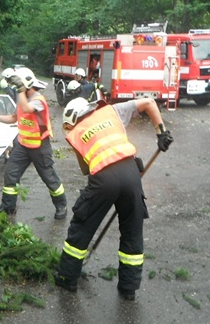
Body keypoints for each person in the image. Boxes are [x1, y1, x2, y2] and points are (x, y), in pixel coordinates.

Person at [53, 97, 174, 300]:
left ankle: (67, 278)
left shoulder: (76, 132)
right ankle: (128, 288)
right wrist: (161, 133)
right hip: (130, 173)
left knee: (82, 226)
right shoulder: (112, 111)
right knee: (132, 230)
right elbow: (149, 103)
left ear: (72, 119)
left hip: (103, 180)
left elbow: (85, 170)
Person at [0, 67, 67, 219]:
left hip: (40, 147)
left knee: (49, 177)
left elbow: (26, 108)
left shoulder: (38, 100)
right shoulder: (22, 98)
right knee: (11, 174)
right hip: (23, 146)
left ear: (26, 86)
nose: (17, 91)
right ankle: (8, 207)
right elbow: (14, 117)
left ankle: (61, 205)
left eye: (19, 87)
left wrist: (20, 90)